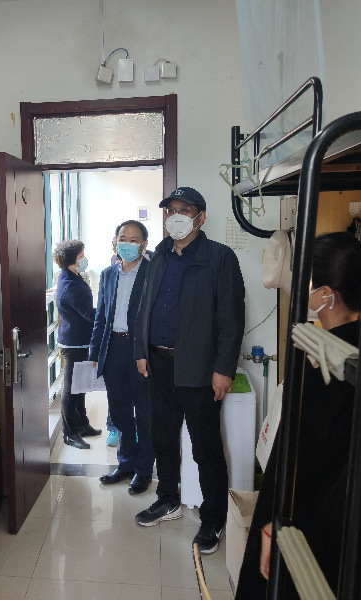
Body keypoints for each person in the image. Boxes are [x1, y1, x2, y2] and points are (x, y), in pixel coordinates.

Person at [235, 232, 361, 599]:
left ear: (326, 294)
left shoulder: (326, 359)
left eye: (306, 281)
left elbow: (299, 459)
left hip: (309, 522)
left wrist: (272, 525)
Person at [132, 187, 245, 556]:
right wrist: (141, 350)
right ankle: (168, 499)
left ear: (201, 217)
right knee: (162, 438)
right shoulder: (159, 255)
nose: (175, 216)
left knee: (205, 447)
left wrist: (223, 369)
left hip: (198, 368)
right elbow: (144, 306)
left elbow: (231, 318)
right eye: (170, 210)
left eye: (184, 209)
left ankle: (213, 519)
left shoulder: (219, 258)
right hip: (159, 364)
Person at [90, 220, 154, 495]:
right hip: (113, 349)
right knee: (119, 412)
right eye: (123, 238)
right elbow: (101, 315)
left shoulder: (153, 272)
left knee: (145, 414)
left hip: (141, 352)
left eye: (134, 239)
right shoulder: (108, 274)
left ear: (144, 245)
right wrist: (95, 351)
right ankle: (125, 464)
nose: (127, 243)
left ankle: (144, 470)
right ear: (115, 241)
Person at [54, 239, 102, 449]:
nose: (84, 259)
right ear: (72, 259)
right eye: (81, 256)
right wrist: (109, 312)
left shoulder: (72, 276)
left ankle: (82, 425)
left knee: (80, 385)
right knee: (71, 389)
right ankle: (69, 433)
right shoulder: (70, 284)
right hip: (73, 343)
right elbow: (89, 314)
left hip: (80, 340)